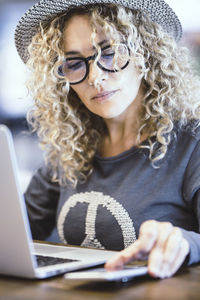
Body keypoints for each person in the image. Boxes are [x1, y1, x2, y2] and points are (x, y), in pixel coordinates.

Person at [14, 0, 200, 279]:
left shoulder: (191, 141)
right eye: (74, 63)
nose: (95, 77)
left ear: (146, 53)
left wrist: (186, 242)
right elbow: (17, 233)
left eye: (109, 52)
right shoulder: (70, 146)